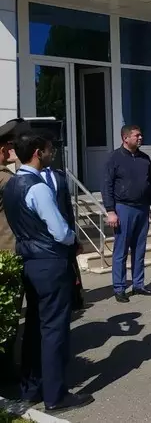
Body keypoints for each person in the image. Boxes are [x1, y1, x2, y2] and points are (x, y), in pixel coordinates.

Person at [5, 131, 94, 414]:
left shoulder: (11, 183)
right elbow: (59, 230)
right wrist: (72, 239)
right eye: (48, 149)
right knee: (54, 330)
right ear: (36, 153)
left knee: (33, 328)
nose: (51, 153)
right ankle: (56, 395)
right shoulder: (37, 186)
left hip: (29, 260)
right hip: (49, 261)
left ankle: (31, 390)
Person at [102, 125, 151, 302]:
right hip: (123, 208)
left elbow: (150, 183)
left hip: (142, 208)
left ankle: (138, 284)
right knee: (121, 250)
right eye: (136, 135)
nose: (140, 138)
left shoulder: (145, 158)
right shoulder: (114, 158)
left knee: (139, 248)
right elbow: (107, 186)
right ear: (125, 138)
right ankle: (119, 288)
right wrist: (111, 211)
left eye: (141, 135)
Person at [40, 164, 85, 311]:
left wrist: (73, 234)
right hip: (43, 235)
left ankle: (72, 301)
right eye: (49, 149)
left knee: (68, 270)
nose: (52, 153)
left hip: (64, 231)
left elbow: (67, 207)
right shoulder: (30, 179)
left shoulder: (58, 175)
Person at [0, 118, 25, 252]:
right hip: (7, 248)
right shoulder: (5, 178)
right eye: (11, 145)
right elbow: (25, 190)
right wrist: (20, 161)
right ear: (4, 149)